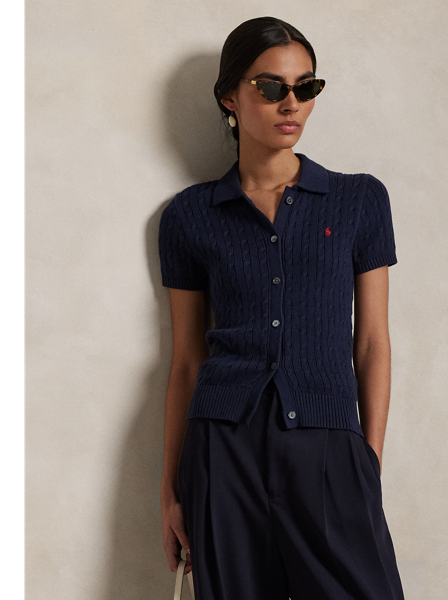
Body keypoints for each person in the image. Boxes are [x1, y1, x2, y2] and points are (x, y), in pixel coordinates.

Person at [159, 16, 405, 600]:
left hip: (329, 448)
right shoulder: (190, 215)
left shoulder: (358, 200)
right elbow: (187, 360)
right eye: (270, 87)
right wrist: (170, 492)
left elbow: (372, 342)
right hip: (224, 452)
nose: (290, 102)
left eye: (305, 87)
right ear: (230, 97)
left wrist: (367, 463)